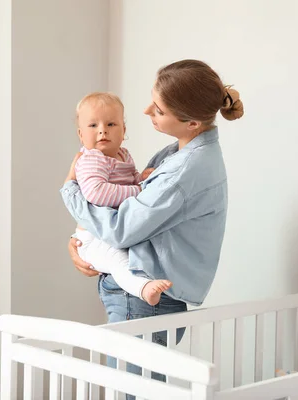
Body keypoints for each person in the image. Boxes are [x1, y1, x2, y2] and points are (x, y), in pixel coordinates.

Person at [61, 59, 244, 392]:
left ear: (191, 121)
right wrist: (79, 242)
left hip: (143, 300)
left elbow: (119, 229)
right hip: (140, 293)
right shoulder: (178, 153)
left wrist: (70, 190)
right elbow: (127, 210)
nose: (147, 111)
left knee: (134, 391)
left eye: (158, 110)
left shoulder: (184, 171)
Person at [70, 91, 173, 306]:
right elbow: (96, 192)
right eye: (93, 126)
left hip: (109, 230)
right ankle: (143, 288)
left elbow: (128, 179)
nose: (102, 131)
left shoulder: (123, 155)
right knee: (119, 261)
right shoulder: (92, 159)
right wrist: (139, 190)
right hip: (93, 237)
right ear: (81, 135)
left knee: (124, 258)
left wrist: (141, 178)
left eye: (111, 124)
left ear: (123, 130)